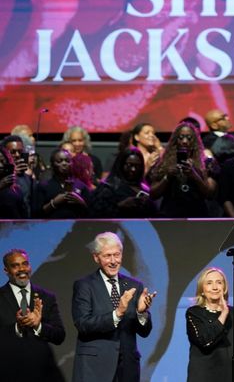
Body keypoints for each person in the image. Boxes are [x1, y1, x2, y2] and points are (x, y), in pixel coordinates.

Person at [72, 232, 156, 382]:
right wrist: (117, 314)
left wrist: (141, 313)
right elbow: (83, 324)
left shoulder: (134, 286)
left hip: (127, 368)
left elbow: (144, 332)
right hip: (95, 366)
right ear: (96, 257)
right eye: (107, 256)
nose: (113, 261)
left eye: (117, 255)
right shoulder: (84, 285)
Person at [0, 249, 66, 382]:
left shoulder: (46, 297)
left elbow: (59, 335)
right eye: (15, 265)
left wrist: (38, 326)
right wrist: (17, 327)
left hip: (42, 372)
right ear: (6, 270)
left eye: (25, 264)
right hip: (8, 372)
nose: (21, 269)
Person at [186, 267, 234, 382]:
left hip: (232, 375)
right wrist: (224, 313)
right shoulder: (194, 313)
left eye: (219, 282)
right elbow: (205, 341)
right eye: (209, 283)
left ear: (224, 288)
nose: (215, 287)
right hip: (205, 375)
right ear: (202, 290)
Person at [147, 123, 216, 217]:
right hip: (170, 215)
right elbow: (153, 194)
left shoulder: (206, 162)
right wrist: (167, 177)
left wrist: (194, 175)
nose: (184, 141)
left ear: (195, 141)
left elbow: (210, 194)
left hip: (197, 215)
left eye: (189, 138)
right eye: (181, 137)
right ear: (175, 140)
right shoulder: (164, 162)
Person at [91, 147, 157, 218]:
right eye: (129, 165)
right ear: (121, 165)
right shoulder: (108, 187)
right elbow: (96, 214)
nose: (133, 169)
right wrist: (120, 205)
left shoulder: (145, 189)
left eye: (137, 166)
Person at [36, 149, 89, 218]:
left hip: (75, 227)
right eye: (59, 161)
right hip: (52, 226)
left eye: (67, 161)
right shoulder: (43, 186)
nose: (64, 164)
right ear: (52, 164)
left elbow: (91, 212)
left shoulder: (81, 185)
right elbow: (37, 213)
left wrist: (81, 202)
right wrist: (54, 203)